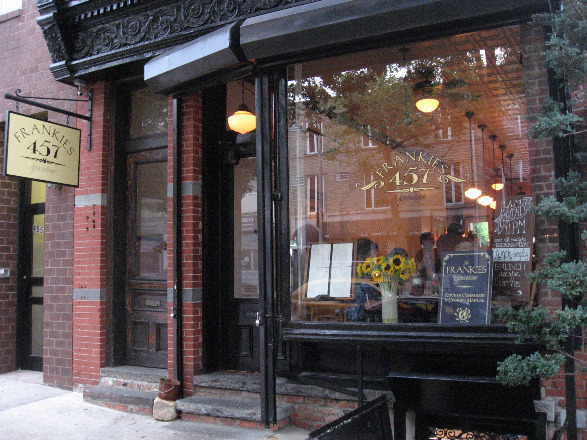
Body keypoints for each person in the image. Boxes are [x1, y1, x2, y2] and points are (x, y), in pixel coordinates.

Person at [347, 238, 381, 322]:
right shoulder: (352, 279)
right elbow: (366, 305)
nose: (375, 263)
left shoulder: (367, 275)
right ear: (360, 258)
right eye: (372, 259)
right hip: (360, 323)